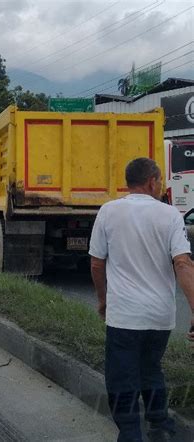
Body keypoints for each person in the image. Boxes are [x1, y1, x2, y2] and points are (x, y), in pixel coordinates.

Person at [89, 158, 194, 442]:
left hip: (124, 316)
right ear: (152, 181)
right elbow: (183, 264)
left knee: (122, 378)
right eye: (160, 181)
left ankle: (131, 434)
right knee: (151, 369)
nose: (160, 186)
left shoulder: (108, 212)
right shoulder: (170, 214)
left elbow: (97, 264)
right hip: (159, 317)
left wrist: (102, 300)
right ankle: (160, 425)